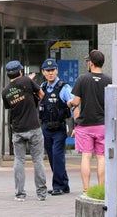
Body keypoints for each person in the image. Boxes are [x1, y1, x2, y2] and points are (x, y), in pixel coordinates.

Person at [1, 60, 48, 202]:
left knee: (19, 161)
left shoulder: (5, 91)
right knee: (37, 160)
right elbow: (41, 94)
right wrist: (34, 102)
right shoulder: (27, 81)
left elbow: (10, 107)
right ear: (21, 71)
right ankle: (41, 193)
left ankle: (20, 194)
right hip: (33, 127)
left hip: (18, 129)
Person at [67, 49, 112, 193]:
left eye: (88, 61)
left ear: (91, 63)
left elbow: (76, 102)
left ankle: (86, 189)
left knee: (86, 157)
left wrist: (69, 103)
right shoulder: (109, 80)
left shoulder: (82, 79)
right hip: (103, 125)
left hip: (85, 125)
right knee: (101, 157)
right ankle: (101, 188)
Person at [38, 58, 73, 195]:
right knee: (52, 157)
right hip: (46, 127)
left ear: (57, 70)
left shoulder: (64, 87)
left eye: (53, 70)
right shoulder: (42, 87)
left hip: (59, 128)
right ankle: (64, 184)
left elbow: (72, 102)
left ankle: (58, 186)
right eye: (48, 71)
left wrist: (73, 125)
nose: (50, 73)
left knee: (58, 156)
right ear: (43, 72)